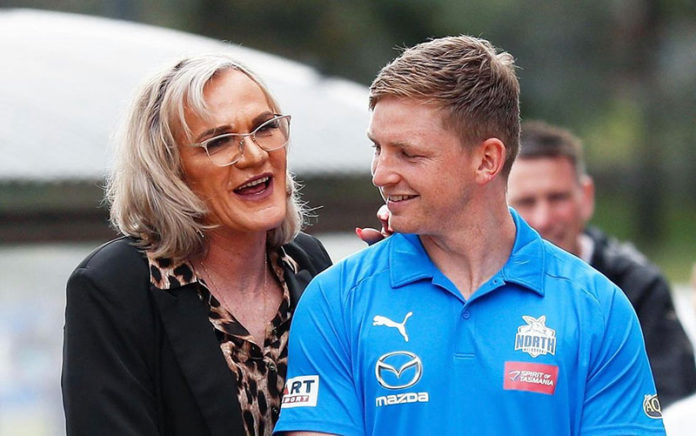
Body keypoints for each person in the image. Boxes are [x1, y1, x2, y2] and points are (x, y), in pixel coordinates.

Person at [274, 35, 665, 435]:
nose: (380, 173)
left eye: (408, 154)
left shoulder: (596, 307)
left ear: (486, 160)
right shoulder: (336, 299)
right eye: (378, 148)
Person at [61, 53, 332, 436]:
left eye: (264, 127)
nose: (254, 155)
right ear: (168, 172)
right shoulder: (114, 286)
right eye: (219, 142)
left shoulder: (307, 262)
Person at [506, 120, 696, 407]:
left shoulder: (635, 286)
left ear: (586, 196)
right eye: (527, 202)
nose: (543, 218)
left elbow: (673, 406)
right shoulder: (477, 282)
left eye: (557, 198)